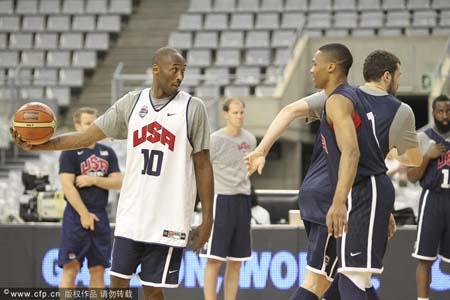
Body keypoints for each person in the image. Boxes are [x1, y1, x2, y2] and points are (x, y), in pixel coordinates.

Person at [12, 47, 214, 300]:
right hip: (131, 214)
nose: (180, 76)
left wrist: (208, 218)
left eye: (183, 71)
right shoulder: (132, 103)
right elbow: (86, 137)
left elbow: (203, 165)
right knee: (118, 287)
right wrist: (40, 144)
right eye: (174, 70)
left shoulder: (193, 108)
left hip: (169, 217)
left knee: (153, 292)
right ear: (156, 70)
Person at [246, 46, 421, 300]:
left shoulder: (342, 97)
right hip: (339, 195)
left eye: (315, 64)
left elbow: (289, 111)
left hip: (319, 192)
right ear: (387, 76)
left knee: (336, 280)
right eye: (399, 75)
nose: (311, 69)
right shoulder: (385, 107)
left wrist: (262, 149)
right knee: (337, 279)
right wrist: (372, 193)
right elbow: (402, 158)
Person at [58, 107, 122, 290]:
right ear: (77, 126)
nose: (93, 127)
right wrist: (84, 213)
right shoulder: (69, 152)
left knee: (98, 269)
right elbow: (67, 186)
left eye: (95, 123)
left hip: (100, 216)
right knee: (71, 268)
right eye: (88, 123)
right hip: (76, 216)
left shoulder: (108, 153)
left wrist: (93, 179)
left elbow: (118, 182)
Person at [201, 98, 257, 300]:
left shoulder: (250, 139)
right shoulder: (215, 139)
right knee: (214, 259)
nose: (239, 116)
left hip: (243, 200)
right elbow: (202, 169)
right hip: (221, 200)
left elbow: (249, 167)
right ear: (226, 114)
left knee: (236, 261)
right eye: (235, 113)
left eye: (241, 112)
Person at [407, 94, 450, 300]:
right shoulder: (422, 137)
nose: (445, 115)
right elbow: (412, 176)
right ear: (433, 113)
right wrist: (427, 156)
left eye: (448, 111)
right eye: (440, 111)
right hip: (432, 200)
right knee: (425, 259)